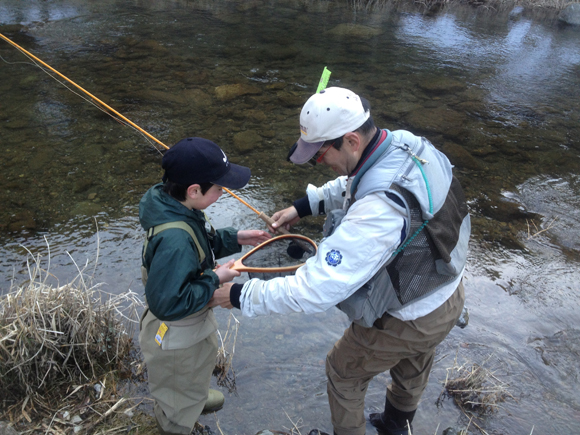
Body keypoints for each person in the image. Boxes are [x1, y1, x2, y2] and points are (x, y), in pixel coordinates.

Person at [209, 87, 470, 435]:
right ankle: (396, 426)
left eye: (320, 155)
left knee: (342, 371)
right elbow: (357, 181)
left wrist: (240, 296)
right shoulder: (406, 144)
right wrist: (303, 206)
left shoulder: (378, 212)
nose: (320, 163)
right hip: (446, 293)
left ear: (351, 141)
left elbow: (316, 289)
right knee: (413, 359)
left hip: (412, 314)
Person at [138, 137, 271, 435]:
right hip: (175, 334)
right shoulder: (174, 240)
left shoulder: (175, 204)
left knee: (199, 360)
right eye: (218, 188)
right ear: (194, 190)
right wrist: (215, 278)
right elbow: (168, 305)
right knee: (178, 378)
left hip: (191, 326)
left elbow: (201, 241)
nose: (223, 192)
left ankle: (193, 396)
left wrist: (235, 238)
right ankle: (176, 420)